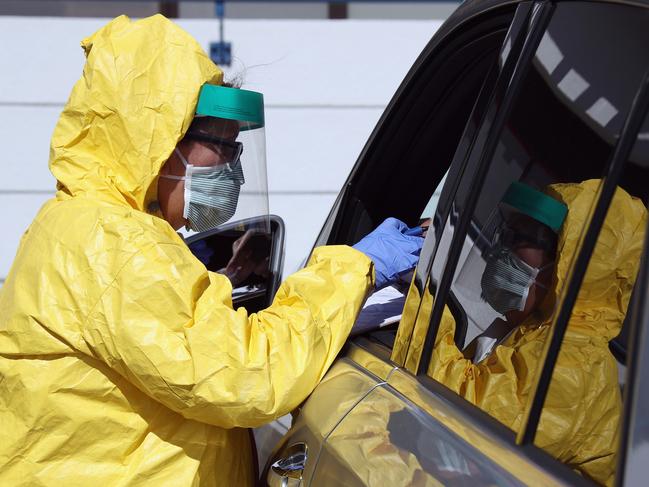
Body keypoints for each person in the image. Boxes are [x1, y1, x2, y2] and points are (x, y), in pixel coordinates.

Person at [0, 15, 423, 486]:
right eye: (220, 148)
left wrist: (222, 285)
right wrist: (356, 268)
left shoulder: (88, 225)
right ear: (154, 139)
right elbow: (249, 376)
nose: (232, 171)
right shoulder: (114, 244)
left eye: (237, 151)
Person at [428, 179, 646, 485]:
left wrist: (421, 298)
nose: (503, 250)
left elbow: (463, 417)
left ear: (570, 265)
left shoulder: (573, 366)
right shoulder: (529, 332)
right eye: (507, 234)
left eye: (522, 238)